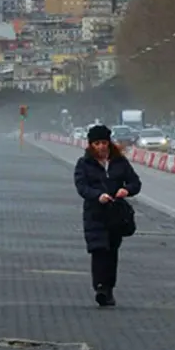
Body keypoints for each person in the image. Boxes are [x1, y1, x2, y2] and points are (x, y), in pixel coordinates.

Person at [74, 124, 142, 307]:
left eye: (104, 142)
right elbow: (82, 187)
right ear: (91, 145)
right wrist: (97, 196)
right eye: (97, 143)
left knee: (112, 252)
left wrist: (125, 190)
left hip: (115, 214)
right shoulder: (84, 164)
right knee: (98, 251)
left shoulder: (120, 162)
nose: (101, 146)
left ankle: (109, 288)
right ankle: (100, 288)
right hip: (94, 214)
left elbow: (135, 182)